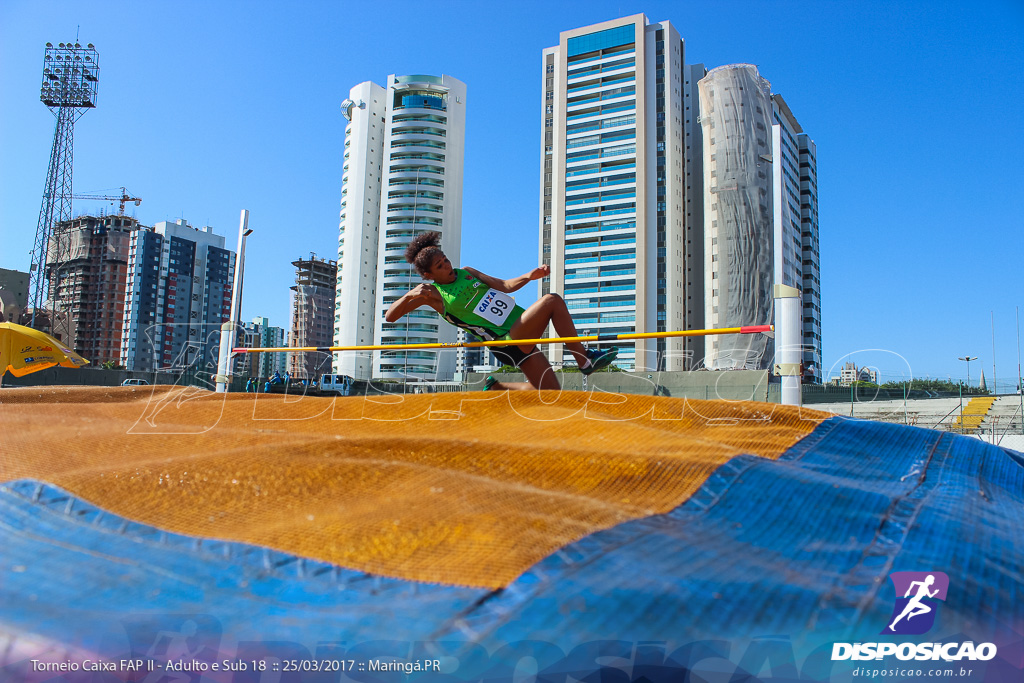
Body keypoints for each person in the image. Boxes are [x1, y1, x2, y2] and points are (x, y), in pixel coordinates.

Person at [385, 231, 616, 391]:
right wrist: (409, 295)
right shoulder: (432, 295)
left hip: (519, 335)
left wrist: (529, 276)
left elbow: (505, 286)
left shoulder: (466, 272)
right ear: (428, 275)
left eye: (445, 260)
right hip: (504, 341)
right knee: (552, 301)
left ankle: (498, 387)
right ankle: (584, 360)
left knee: (552, 394)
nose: (447, 266)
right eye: (440, 267)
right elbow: (390, 316)